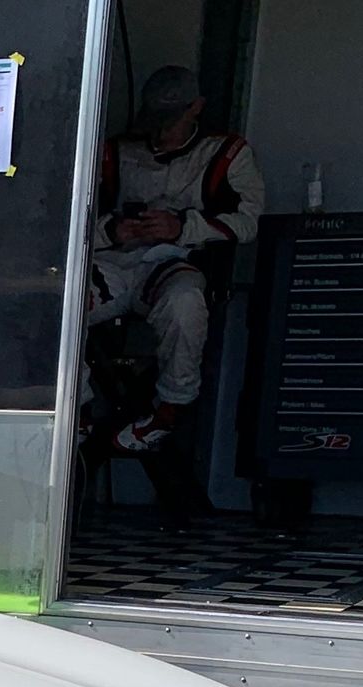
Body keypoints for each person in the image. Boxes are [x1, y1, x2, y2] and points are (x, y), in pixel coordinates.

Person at [87, 65, 264, 455]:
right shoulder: (113, 150)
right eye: (155, 121)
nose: (160, 132)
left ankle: (168, 411)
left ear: (196, 108)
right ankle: (76, 409)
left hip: (172, 264)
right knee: (59, 300)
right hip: (112, 264)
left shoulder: (227, 153)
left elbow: (248, 223)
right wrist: (112, 230)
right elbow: (66, 217)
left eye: (171, 121)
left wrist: (182, 227)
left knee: (186, 302)